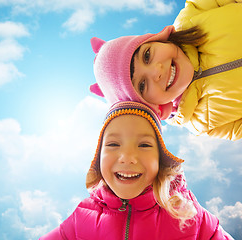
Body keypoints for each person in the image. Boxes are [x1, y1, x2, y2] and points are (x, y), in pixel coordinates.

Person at [39, 101, 233, 239]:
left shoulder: (189, 215)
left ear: (161, 159)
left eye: (144, 145)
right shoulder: (81, 217)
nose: (127, 157)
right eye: (114, 144)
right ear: (98, 159)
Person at [89, 0, 242, 141]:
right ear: (154, 106)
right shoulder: (202, 123)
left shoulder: (195, 14)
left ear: (158, 39)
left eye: (147, 55)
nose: (157, 71)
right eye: (142, 85)